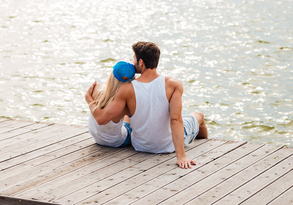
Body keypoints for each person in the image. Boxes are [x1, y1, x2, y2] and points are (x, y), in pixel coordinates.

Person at [85, 41, 209, 169]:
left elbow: (102, 118)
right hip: (168, 146)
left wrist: (90, 99)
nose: (132, 63)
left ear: (141, 62)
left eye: (134, 59)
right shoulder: (173, 84)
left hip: (141, 146)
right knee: (198, 115)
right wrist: (181, 156)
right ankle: (206, 141)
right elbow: (175, 119)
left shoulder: (127, 89)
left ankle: (205, 140)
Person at [88, 61, 135, 148]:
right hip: (116, 141)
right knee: (130, 115)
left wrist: (88, 98)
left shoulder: (96, 88)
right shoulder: (124, 104)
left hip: (97, 138)